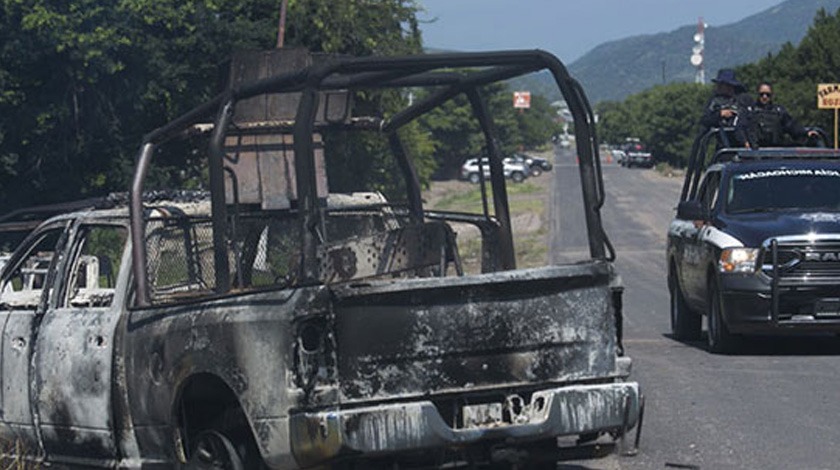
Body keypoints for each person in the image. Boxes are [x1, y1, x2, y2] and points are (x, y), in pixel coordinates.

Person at [749, 82, 818, 147]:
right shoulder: (750, 111)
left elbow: (792, 126)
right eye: (762, 94)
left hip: (776, 153)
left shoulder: (778, 112)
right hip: (754, 153)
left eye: (768, 94)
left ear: (771, 95)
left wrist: (806, 133)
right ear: (757, 94)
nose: (764, 97)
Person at [701, 69, 753, 147]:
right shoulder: (715, 101)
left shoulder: (744, 100)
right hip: (724, 146)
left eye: (721, 84)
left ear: (729, 86)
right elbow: (705, 119)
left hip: (745, 145)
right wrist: (720, 114)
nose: (717, 87)